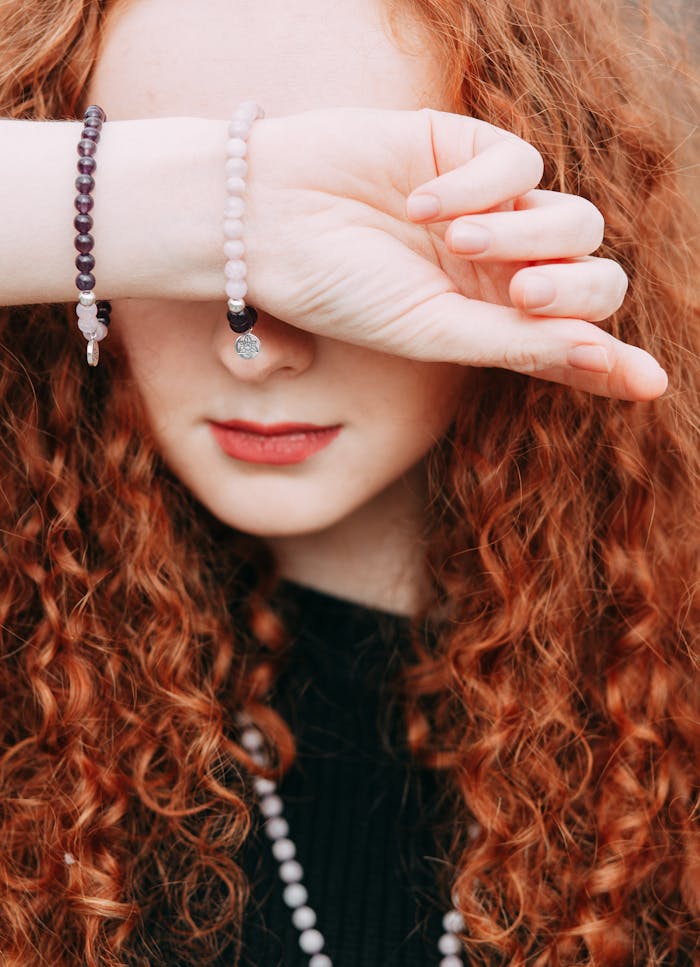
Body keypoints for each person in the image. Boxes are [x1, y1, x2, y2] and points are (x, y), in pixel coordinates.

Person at [0, 0, 697, 964]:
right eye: (191, 231)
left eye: (360, 222)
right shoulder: (25, 686)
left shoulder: (669, 706)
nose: (256, 346)